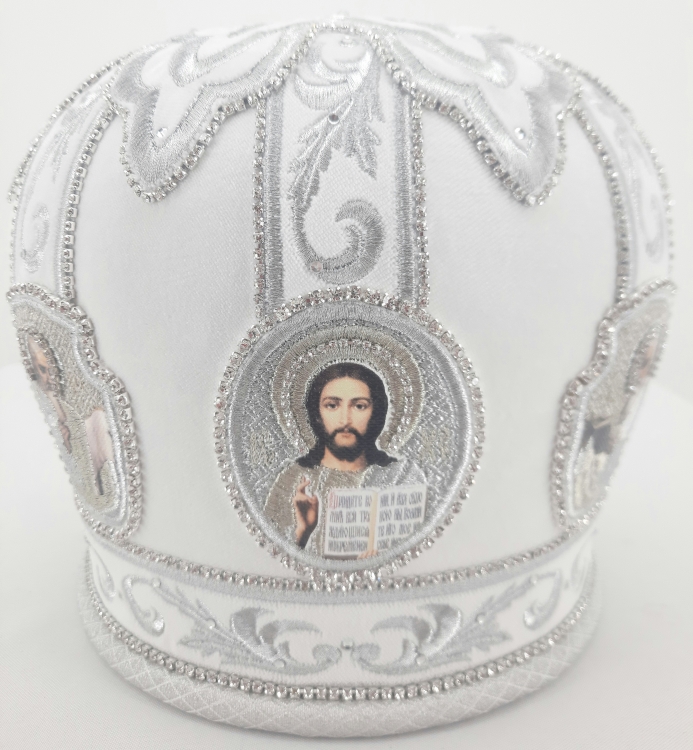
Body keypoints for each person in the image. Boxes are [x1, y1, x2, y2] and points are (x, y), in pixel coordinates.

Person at [265, 362, 425, 556]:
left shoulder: (401, 477)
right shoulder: (292, 479)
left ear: (376, 412)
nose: (345, 420)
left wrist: (384, 556)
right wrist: (302, 532)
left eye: (359, 406)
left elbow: (422, 549)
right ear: (317, 413)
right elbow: (268, 557)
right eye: (332, 405)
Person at [27, 333, 117, 504]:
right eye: (42, 370)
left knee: (98, 419)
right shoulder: (47, 398)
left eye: (50, 370)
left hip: (88, 432)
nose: (47, 378)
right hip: (77, 453)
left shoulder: (68, 390)